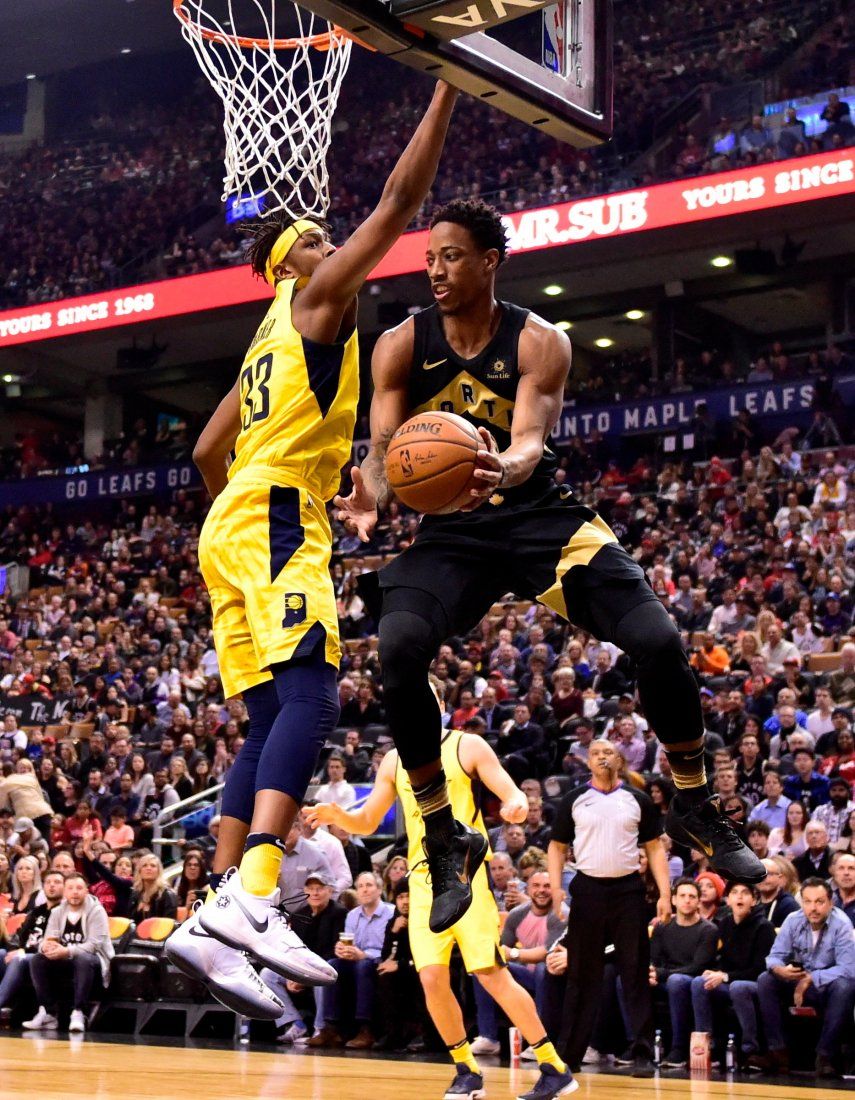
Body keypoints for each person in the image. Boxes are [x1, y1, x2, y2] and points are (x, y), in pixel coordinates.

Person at [336, 198, 763, 935]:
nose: (435, 269)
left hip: (537, 515)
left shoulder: (539, 341)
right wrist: (371, 493)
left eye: (451, 256)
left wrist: (495, 469)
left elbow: (530, 438)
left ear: (490, 261)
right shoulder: (401, 343)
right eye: (429, 257)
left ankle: (693, 798)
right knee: (398, 651)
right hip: (453, 534)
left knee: (658, 642)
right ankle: (444, 834)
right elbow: (382, 449)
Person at [167, 82, 459, 1014]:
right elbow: (400, 208)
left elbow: (208, 449)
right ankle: (254, 897)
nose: (329, 243)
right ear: (285, 263)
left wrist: (249, 512)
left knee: (263, 722)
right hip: (274, 517)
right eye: (310, 238)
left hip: (234, 522)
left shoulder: (263, 339)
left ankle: (215, 913)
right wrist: (449, 83)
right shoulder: (313, 295)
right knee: (313, 698)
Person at [306, 725, 576, 1100]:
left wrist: (515, 803)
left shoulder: (467, 745)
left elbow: (509, 791)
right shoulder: (395, 760)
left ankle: (553, 1066)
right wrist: (339, 816)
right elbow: (367, 821)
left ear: (437, 704)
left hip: (463, 874)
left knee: (489, 973)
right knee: (431, 977)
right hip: (422, 882)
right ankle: (466, 1070)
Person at [547, 739, 672, 1076]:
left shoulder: (638, 799)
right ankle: (569, 1054)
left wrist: (665, 893)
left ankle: (643, 1051)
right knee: (582, 974)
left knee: (634, 971)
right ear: (588, 762)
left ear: (619, 760)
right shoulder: (574, 799)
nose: (602, 757)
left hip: (628, 891)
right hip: (587, 890)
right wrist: (557, 889)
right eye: (596, 753)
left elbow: (655, 849)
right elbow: (557, 846)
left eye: (608, 753)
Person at [754, 878, 855, 1078]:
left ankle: (825, 1056)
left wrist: (811, 978)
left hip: (825, 987)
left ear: (830, 903)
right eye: (807, 902)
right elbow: (774, 956)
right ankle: (777, 1051)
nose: (813, 908)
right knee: (766, 979)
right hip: (796, 982)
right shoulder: (793, 919)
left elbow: (849, 968)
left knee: (845, 986)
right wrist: (778, 969)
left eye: (819, 902)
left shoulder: (841, 924)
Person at [471, 871, 568, 1058]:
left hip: (558, 975)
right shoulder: (517, 914)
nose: (541, 891)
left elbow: (549, 952)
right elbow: (501, 949)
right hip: (527, 974)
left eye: (547, 886)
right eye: (536, 886)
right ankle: (488, 1037)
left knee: (543, 968)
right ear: (528, 889)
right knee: (484, 968)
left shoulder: (561, 913)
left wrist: (513, 953)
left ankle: (541, 1040)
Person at [689, 882, 775, 1069]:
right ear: (728, 900)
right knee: (699, 982)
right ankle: (706, 1047)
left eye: (745, 893)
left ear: (754, 900)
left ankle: (750, 1050)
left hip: (754, 984)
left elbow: (760, 968)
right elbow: (720, 959)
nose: (739, 897)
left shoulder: (764, 927)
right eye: (734, 893)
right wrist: (714, 972)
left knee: (738, 987)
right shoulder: (725, 924)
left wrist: (725, 976)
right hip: (731, 981)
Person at [309, 870, 393, 1050]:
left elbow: (389, 949)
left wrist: (364, 955)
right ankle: (331, 1027)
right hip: (357, 959)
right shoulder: (353, 914)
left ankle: (365, 1029)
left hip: (379, 961)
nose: (364, 890)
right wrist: (341, 950)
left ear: (379, 890)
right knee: (332, 965)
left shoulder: (390, 913)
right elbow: (349, 943)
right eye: (360, 886)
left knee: (363, 966)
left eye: (369, 885)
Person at [23, 873, 114, 1034]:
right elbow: (49, 938)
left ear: (87, 891)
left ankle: (79, 1012)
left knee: (82, 958)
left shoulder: (96, 911)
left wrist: (66, 951)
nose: (75, 892)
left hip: (95, 961)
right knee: (38, 959)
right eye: (70, 888)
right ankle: (48, 1013)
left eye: (79, 888)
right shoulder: (57, 911)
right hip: (65, 960)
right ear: (64, 892)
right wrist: (46, 947)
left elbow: (93, 945)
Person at [262, 871, 347, 1044]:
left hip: (326, 968)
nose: (315, 893)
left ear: (330, 891)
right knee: (267, 974)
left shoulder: (340, 913)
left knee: (324, 972)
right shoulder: (300, 914)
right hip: (303, 970)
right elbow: (293, 949)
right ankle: (295, 1023)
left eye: (320, 888)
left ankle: (320, 1029)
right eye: (311, 888)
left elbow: (333, 951)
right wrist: (291, 974)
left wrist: (304, 976)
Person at [651, 878, 718, 1068]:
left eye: (692, 897)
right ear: (673, 900)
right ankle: (636, 1043)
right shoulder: (662, 927)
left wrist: (661, 973)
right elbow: (654, 959)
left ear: (698, 901)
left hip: (692, 980)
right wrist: (651, 973)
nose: (687, 900)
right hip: (666, 978)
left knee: (677, 981)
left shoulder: (708, 930)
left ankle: (679, 1048)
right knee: (626, 981)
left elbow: (697, 966)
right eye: (682, 896)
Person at [0, 869, 65, 1019]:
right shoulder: (36, 912)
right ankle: (7, 1006)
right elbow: (18, 936)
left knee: (18, 959)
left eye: (57, 882)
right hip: (24, 953)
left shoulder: (63, 912)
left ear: (64, 887)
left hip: (43, 957)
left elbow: (54, 942)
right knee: (1, 954)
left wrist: (21, 952)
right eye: (48, 882)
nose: (52, 886)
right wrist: (14, 949)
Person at [756, 858, 799, 929]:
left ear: (780, 878)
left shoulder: (788, 905)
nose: (763, 878)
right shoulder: (752, 902)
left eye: (768, 874)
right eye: (758, 874)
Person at [812, 778, 854, 845]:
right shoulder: (819, 811)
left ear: (848, 792)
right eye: (833, 790)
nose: (837, 793)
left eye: (841, 790)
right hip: (823, 849)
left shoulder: (853, 810)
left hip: (847, 851)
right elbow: (812, 832)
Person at [831, 853, 855, 926]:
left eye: (851, 868)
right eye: (841, 868)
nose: (846, 873)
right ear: (834, 874)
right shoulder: (828, 899)